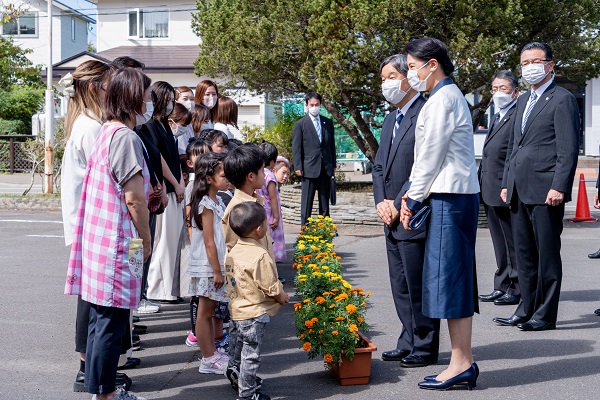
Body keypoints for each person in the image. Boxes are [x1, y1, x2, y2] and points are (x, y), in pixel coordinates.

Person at [64, 67, 152, 400]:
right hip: (120, 241)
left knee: (105, 320)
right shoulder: (126, 137)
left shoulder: (108, 132)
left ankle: (105, 391)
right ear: (132, 97)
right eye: (145, 93)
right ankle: (106, 394)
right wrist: (145, 240)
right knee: (110, 323)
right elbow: (133, 198)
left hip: (101, 239)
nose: (149, 100)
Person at [400, 37, 480, 390]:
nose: (409, 74)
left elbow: (429, 155)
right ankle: (460, 361)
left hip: (450, 196)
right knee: (452, 280)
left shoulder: (442, 100)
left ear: (433, 64)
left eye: (412, 66)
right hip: (453, 196)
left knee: (450, 281)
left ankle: (461, 362)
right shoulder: (446, 97)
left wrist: (412, 199)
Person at [494, 42, 580, 331]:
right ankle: (525, 308)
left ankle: (545, 315)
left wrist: (559, 186)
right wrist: (507, 182)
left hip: (546, 191)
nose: (530, 66)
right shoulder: (522, 101)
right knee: (524, 255)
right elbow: (513, 146)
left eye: (536, 61)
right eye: (525, 62)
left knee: (546, 256)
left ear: (550, 65)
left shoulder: (562, 99)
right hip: (519, 189)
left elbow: (568, 149)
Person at [372, 53, 440, 368]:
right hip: (390, 212)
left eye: (391, 77)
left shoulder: (424, 113)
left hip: (413, 211)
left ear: (407, 78)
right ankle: (408, 338)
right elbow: (379, 166)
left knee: (416, 281)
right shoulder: (391, 118)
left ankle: (425, 345)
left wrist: (399, 202)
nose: (385, 84)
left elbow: (423, 167)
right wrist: (381, 201)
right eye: (382, 79)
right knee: (399, 282)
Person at [222, 144, 276, 392]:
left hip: (248, 290)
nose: (266, 176)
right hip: (248, 291)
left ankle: (236, 369)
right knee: (246, 338)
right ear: (250, 177)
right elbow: (240, 255)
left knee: (238, 333)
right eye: (262, 171)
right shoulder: (238, 210)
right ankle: (246, 383)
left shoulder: (252, 201)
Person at [225, 201, 290, 400]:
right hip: (253, 314)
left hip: (236, 311)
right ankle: (247, 394)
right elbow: (270, 286)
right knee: (251, 356)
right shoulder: (259, 255)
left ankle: (239, 376)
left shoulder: (232, 251)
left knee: (238, 350)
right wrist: (282, 296)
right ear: (259, 229)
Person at [478, 70, 520, 306]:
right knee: (498, 241)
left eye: (503, 88)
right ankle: (502, 283)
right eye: (494, 89)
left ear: (515, 91)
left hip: (505, 188)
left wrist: (507, 184)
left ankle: (516, 287)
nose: (497, 93)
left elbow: (512, 155)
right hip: (489, 186)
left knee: (511, 241)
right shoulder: (496, 115)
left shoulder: (516, 115)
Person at [141, 81, 186, 304]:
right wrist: (174, 184)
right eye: (167, 99)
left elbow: (173, 158)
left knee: (172, 241)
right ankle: (157, 288)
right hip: (165, 190)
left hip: (173, 188)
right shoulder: (149, 126)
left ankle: (169, 287)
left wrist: (179, 182)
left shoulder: (164, 124)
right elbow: (158, 158)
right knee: (162, 242)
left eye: (172, 99)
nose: (170, 103)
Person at [187, 152, 231, 374]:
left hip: (212, 266)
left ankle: (212, 352)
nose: (227, 177)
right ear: (209, 178)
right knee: (205, 312)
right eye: (223, 174)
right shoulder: (206, 204)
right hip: (207, 267)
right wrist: (217, 271)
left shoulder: (217, 200)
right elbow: (209, 243)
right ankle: (208, 358)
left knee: (210, 310)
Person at [292, 92, 337, 225]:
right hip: (308, 168)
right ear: (306, 105)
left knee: (324, 202)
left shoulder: (327, 123)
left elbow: (331, 145)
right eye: (312, 105)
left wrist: (333, 163)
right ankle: (305, 229)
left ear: (320, 105)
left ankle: (325, 228)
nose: (314, 107)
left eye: (317, 104)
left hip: (325, 167)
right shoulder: (300, 124)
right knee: (307, 201)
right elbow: (297, 146)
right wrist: (298, 166)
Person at [257, 141, 286, 262]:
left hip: (260, 212)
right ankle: (273, 273)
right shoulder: (270, 176)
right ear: (273, 161)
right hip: (270, 214)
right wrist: (276, 217)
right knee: (272, 243)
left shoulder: (258, 173)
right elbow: (273, 197)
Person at [175, 86, 196, 160]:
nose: (189, 102)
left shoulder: (189, 123)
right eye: (185, 99)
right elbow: (182, 153)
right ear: (176, 101)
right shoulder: (177, 122)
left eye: (192, 99)